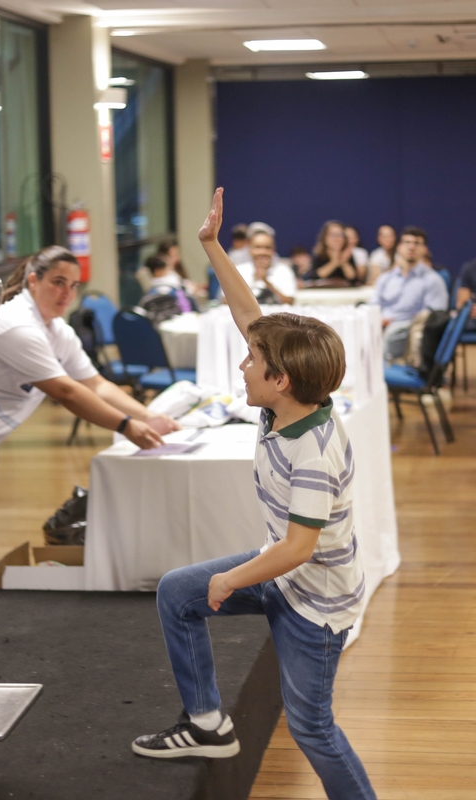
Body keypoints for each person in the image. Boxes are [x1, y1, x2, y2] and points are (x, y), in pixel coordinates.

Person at [132, 188, 377, 800]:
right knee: (177, 592)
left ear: (281, 380)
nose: (243, 364)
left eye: (252, 361)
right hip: (286, 573)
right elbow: (251, 315)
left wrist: (231, 579)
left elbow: (298, 548)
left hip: (314, 601)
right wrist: (211, 245)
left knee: (312, 728)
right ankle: (207, 725)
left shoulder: (311, 449)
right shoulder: (289, 402)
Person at [0, 247, 176, 588]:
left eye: (73, 285)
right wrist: (126, 426)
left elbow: (95, 384)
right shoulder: (16, 325)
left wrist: (149, 416)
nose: (67, 293)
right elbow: (66, 391)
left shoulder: (57, 330)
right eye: (58, 282)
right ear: (33, 280)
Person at [375, 226, 449, 360]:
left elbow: (435, 318)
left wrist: (394, 325)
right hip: (378, 325)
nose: (411, 247)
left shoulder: (433, 280)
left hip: (406, 331)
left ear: (424, 249)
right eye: (407, 242)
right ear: (399, 247)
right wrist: (378, 320)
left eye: (417, 243)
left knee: (391, 334)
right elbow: (373, 304)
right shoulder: (386, 278)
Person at [220, 229, 297, 304]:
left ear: (274, 249)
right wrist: (254, 280)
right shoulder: (237, 270)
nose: (262, 252)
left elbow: (289, 301)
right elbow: (226, 301)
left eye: (267, 248)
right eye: (258, 247)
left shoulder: (284, 270)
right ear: (249, 248)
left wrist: (266, 281)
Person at [303, 220, 365, 285]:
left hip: (344, 290)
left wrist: (344, 262)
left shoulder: (348, 255)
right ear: (325, 238)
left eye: (341, 235)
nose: (337, 239)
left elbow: (354, 279)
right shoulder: (319, 254)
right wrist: (334, 263)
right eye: (333, 235)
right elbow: (312, 277)